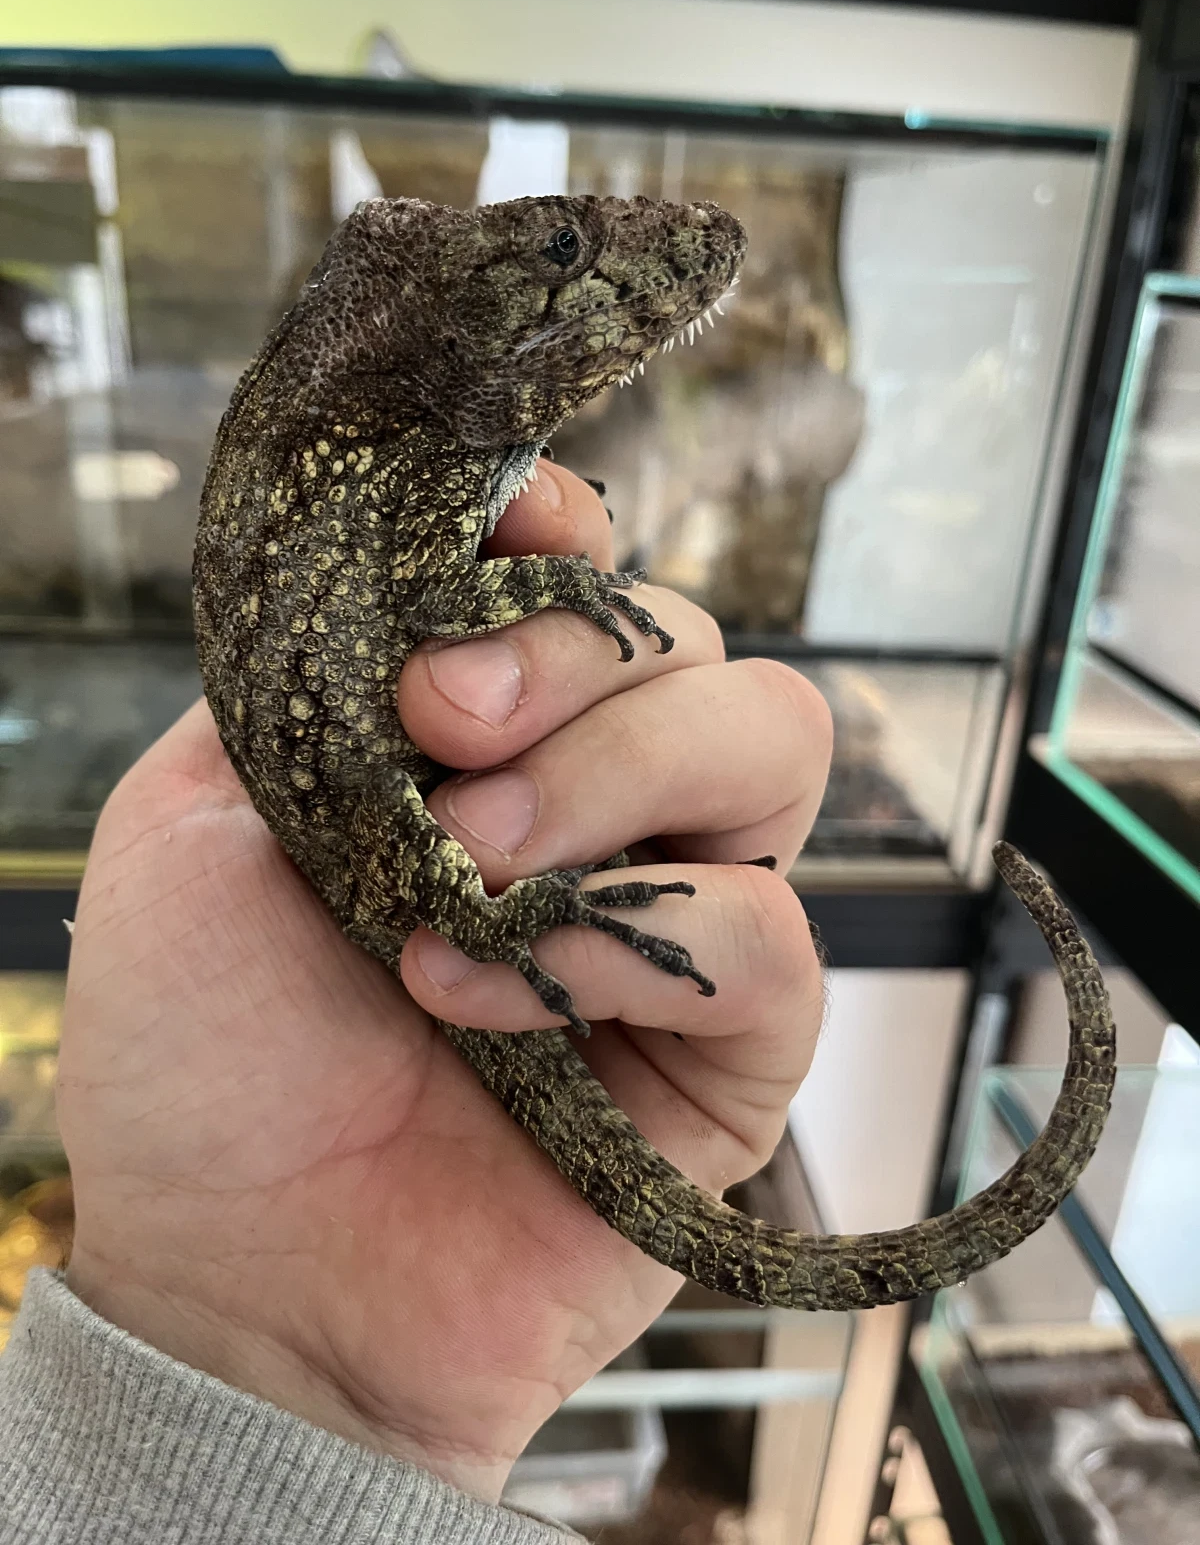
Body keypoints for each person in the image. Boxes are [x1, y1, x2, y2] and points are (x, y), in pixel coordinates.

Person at [0, 460, 831, 1543]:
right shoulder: (415, 449)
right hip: (396, 860)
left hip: (409, 864)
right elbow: (441, 594)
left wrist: (276, 1386)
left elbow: (437, 589)